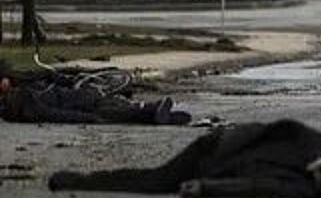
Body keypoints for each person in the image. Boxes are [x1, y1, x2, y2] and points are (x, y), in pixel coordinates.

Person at [48, 119, 321, 198]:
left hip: (218, 163)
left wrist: (207, 188)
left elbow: (255, 187)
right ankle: (77, 181)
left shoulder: (305, 188)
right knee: (154, 182)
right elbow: (285, 127)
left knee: (154, 183)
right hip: (219, 147)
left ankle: (77, 181)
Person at [0, 70, 190, 125]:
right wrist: (86, 119)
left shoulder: (22, 87)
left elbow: (46, 76)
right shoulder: (20, 102)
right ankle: (150, 110)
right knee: (109, 111)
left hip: (76, 97)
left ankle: (152, 113)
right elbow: (52, 113)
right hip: (78, 105)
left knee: (112, 109)